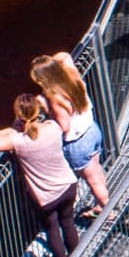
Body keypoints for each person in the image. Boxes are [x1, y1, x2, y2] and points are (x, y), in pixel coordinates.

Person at [0, 94, 80, 257]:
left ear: (18, 115)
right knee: (68, 221)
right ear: (37, 111)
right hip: (68, 185)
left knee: (52, 228)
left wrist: (11, 129)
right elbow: (62, 114)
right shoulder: (53, 127)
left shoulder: (18, 141)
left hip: (46, 197)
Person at [31, 52, 110, 213]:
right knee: (96, 169)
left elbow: (64, 126)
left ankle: (107, 211)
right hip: (92, 130)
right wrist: (51, 63)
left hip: (78, 143)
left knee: (92, 180)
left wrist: (45, 107)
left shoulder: (55, 98)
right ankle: (100, 204)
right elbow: (65, 56)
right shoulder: (72, 75)